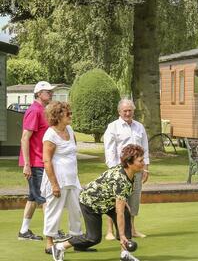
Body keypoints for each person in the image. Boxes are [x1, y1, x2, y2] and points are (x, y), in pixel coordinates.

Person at [51, 144, 144, 261]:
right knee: (93, 238)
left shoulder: (130, 173)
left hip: (106, 202)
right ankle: (59, 247)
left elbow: (118, 195)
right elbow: (118, 212)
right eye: (140, 161)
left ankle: (124, 254)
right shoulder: (121, 180)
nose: (143, 163)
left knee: (126, 214)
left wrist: (124, 205)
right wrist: (122, 236)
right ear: (130, 163)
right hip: (90, 203)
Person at [103, 99, 150, 240]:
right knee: (116, 201)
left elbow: (145, 149)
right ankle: (110, 231)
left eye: (130, 110)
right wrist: (114, 170)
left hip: (136, 170)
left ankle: (132, 229)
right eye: (125, 111)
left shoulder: (139, 127)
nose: (128, 113)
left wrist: (145, 168)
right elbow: (109, 150)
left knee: (134, 200)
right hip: (119, 171)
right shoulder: (113, 127)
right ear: (119, 112)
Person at [41, 101, 83, 254]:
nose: (71, 116)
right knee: (54, 211)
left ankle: (76, 241)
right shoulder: (50, 135)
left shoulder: (70, 130)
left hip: (72, 178)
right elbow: (46, 161)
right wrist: (54, 185)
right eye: (68, 114)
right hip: (57, 180)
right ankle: (49, 243)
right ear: (58, 116)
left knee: (76, 210)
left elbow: (73, 152)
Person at [18, 81, 56, 241]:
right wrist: (27, 164)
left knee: (33, 198)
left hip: (40, 161)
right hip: (34, 163)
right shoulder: (34, 111)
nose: (51, 93)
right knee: (44, 199)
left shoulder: (43, 110)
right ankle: (53, 232)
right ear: (39, 93)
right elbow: (25, 138)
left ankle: (24, 232)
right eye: (47, 91)